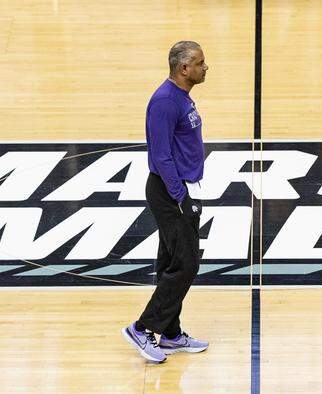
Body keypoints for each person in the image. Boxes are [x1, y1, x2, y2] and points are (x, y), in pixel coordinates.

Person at [122, 41, 210, 363]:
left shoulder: (181, 98)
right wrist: (181, 197)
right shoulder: (163, 102)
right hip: (169, 191)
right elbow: (160, 156)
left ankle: (170, 334)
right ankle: (142, 327)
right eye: (200, 63)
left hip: (181, 188)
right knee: (186, 263)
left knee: (172, 261)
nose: (205, 67)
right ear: (184, 69)